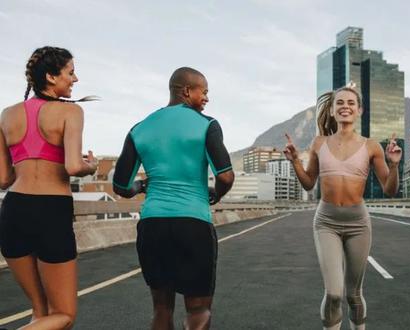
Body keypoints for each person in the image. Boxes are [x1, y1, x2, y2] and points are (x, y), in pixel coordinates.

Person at [113, 67, 234, 330]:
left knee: (161, 309)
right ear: (187, 91)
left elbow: (121, 186)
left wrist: (142, 185)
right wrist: (215, 195)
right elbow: (225, 176)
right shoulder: (207, 125)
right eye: (204, 91)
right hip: (193, 224)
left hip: (152, 225)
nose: (207, 98)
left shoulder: (139, 128)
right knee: (198, 311)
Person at [284, 86, 401, 330]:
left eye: (350, 102)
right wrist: (295, 161)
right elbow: (308, 184)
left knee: (353, 295)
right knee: (334, 293)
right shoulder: (319, 143)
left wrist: (394, 165)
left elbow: (390, 189)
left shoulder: (372, 147)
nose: (345, 106)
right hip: (326, 221)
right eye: (339, 103)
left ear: (359, 110)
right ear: (333, 110)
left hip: (359, 223)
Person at [0, 46, 98, 329]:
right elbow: (72, 167)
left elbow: (4, 179)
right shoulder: (71, 112)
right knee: (64, 314)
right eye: (71, 72)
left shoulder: (6, 115)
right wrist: (90, 166)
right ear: (52, 77)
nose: (75, 79)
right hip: (50, 211)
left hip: (14, 210)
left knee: (42, 312)